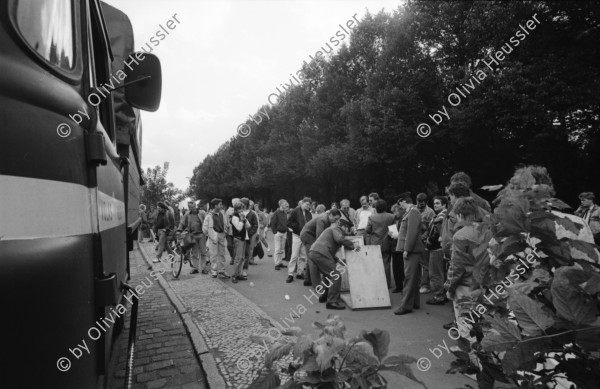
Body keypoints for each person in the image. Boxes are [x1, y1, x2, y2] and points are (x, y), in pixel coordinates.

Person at [445, 197, 491, 338]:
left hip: (466, 286)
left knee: (466, 324)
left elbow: (457, 267)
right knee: (486, 324)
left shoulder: (460, 236)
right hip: (486, 284)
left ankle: (471, 357)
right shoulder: (488, 231)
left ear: (460, 215)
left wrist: (449, 287)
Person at [308, 218, 360, 310]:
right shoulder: (337, 229)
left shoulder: (329, 230)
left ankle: (325, 295)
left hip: (314, 252)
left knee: (328, 274)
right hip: (320, 253)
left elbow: (327, 247)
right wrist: (353, 245)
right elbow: (340, 239)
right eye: (348, 229)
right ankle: (332, 301)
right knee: (336, 275)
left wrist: (338, 260)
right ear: (344, 227)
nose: (348, 232)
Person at [394, 192, 424, 315]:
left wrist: (407, 249)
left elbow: (411, 232)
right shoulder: (412, 211)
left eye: (399, 203)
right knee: (414, 277)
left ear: (403, 201)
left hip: (412, 250)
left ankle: (406, 306)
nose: (399, 206)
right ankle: (415, 302)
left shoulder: (413, 212)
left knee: (409, 278)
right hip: (413, 249)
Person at [300, 209, 342, 287]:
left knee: (311, 256)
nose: (336, 221)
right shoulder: (322, 219)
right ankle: (317, 286)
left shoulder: (328, 219)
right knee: (314, 257)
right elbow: (319, 237)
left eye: (338, 219)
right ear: (330, 215)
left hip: (311, 234)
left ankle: (307, 279)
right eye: (335, 219)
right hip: (307, 235)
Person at [425, 196, 449, 304]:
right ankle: (444, 294)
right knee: (442, 272)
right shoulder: (446, 215)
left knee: (435, 273)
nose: (435, 205)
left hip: (436, 249)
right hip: (442, 248)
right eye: (434, 203)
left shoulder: (440, 217)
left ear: (444, 205)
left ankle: (439, 296)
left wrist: (429, 242)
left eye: (438, 203)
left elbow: (437, 233)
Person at [366, 199, 395, 288]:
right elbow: (393, 231)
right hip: (387, 242)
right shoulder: (391, 216)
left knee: (375, 263)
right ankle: (387, 283)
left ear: (376, 208)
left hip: (375, 243)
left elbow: (368, 230)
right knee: (386, 263)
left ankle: (377, 283)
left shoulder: (372, 217)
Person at [286, 197, 313, 283]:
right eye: (307, 204)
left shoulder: (309, 214)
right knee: (294, 255)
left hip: (305, 236)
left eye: (309, 205)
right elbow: (288, 222)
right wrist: (296, 227)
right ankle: (290, 274)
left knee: (303, 255)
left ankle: (300, 272)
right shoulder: (295, 211)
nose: (308, 206)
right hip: (297, 235)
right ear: (302, 203)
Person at [178, 200, 208, 274]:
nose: (193, 208)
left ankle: (204, 268)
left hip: (201, 234)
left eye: (194, 206)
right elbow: (182, 223)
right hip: (193, 235)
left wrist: (207, 232)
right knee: (194, 253)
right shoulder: (187, 214)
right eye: (191, 207)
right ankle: (195, 268)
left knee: (203, 252)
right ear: (189, 208)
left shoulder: (202, 213)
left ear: (196, 206)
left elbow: (207, 222)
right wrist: (179, 230)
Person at [203, 198, 230, 279]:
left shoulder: (222, 213)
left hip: (221, 235)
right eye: (220, 204)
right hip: (213, 236)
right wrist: (210, 235)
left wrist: (226, 229)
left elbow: (225, 223)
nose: (221, 206)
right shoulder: (209, 216)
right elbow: (204, 228)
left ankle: (222, 270)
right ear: (215, 206)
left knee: (222, 253)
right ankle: (214, 270)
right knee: (213, 254)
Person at [416, 193, 436, 294]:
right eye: (418, 203)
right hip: (414, 240)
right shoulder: (414, 209)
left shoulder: (430, 212)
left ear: (426, 203)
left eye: (422, 204)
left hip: (423, 241)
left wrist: (423, 237)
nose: (420, 206)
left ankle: (425, 285)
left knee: (425, 264)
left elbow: (431, 229)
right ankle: (418, 283)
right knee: (416, 263)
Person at [230, 202, 250, 283]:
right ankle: (234, 275)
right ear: (236, 209)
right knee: (238, 258)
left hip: (243, 238)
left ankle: (239, 274)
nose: (242, 210)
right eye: (240, 209)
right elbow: (238, 228)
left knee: (242, 257)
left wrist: (245, 219)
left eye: (242, 208)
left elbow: (248, 226)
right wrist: (242, 220)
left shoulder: (242, 216)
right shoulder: (234, 217)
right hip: (238, 238)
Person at [241, 198, 259, 273]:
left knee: (247, 254)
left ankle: (244, 270)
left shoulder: (252, 214)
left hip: (248, 236)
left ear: (245, 204)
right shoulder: (238, 212)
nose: (240, 204)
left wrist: (250, 233)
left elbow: (255, 225)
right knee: (239, 254)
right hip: (239, 236)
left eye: (241, 203)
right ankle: (238, 270)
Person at [389, 203, 405, 293]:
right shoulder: (394, 219)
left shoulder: (404, 219)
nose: (394, 214)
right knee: (395, 268)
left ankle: (404, 286)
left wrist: (397, 235)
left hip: (401, 246)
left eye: (395, 212)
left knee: (402, 267)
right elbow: (391, 229)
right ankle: (398, 286)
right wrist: (390, 233)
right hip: (394, 246)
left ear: (400, 210)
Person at [270, 199, 289, 270]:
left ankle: (280, 262)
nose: (286, 205)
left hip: (284, 232)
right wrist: (275, 232)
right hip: (278, 232)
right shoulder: (276, 213)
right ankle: (277, 263)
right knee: (277, 249)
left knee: (281, 249)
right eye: (285, 204)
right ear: (281, 205)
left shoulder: (284, 212)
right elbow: (272, 223)